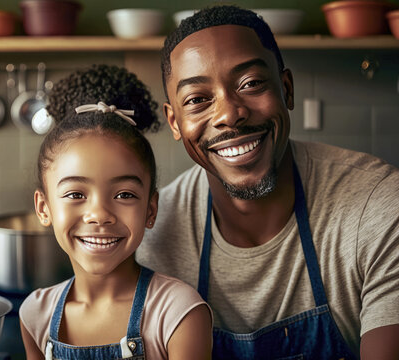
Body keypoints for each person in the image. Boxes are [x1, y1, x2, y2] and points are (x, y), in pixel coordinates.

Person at [136, 5, 399, 360]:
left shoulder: (378, 204)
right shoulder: (155, 230)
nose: (229, 114)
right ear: (175, 122)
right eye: (198, 100)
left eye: (251, 84)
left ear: (286, 90)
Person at [19, 64, 213, 360]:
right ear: (44, 208)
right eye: (75, 194)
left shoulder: (178, 313)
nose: (99, 214)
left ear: (150, 210)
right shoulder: (34, 315)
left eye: (124, 194)